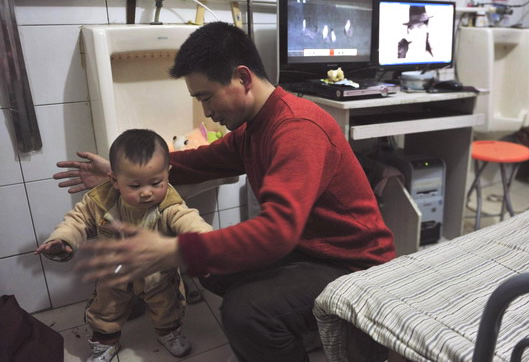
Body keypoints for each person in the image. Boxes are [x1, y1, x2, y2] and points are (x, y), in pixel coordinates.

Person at [53, 21, 396, 362]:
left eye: (206, 96)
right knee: (215, 269)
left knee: (245, 312)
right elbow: (200, 161)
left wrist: (178, 250)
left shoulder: (296, 128)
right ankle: (294, 329)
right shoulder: (254, 129)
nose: (207, 112)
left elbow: (277, 232)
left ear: (243, 78)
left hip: (354, 265)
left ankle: (284, 326)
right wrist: (120, 172)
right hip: (309, 250)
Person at [37, 129, 213, 362]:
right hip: (114, 274)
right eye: (135, 186)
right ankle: (105, 342)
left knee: (167, 308)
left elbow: (190, 221)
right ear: (114, 180)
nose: (146, 193)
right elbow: (77, 220)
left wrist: (208, 243)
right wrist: (63, 240)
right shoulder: (101, 200)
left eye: (156, 182)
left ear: (167, 174)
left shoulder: (169, 205)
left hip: (157, 275)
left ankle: (168, 332)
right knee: (105, 310)